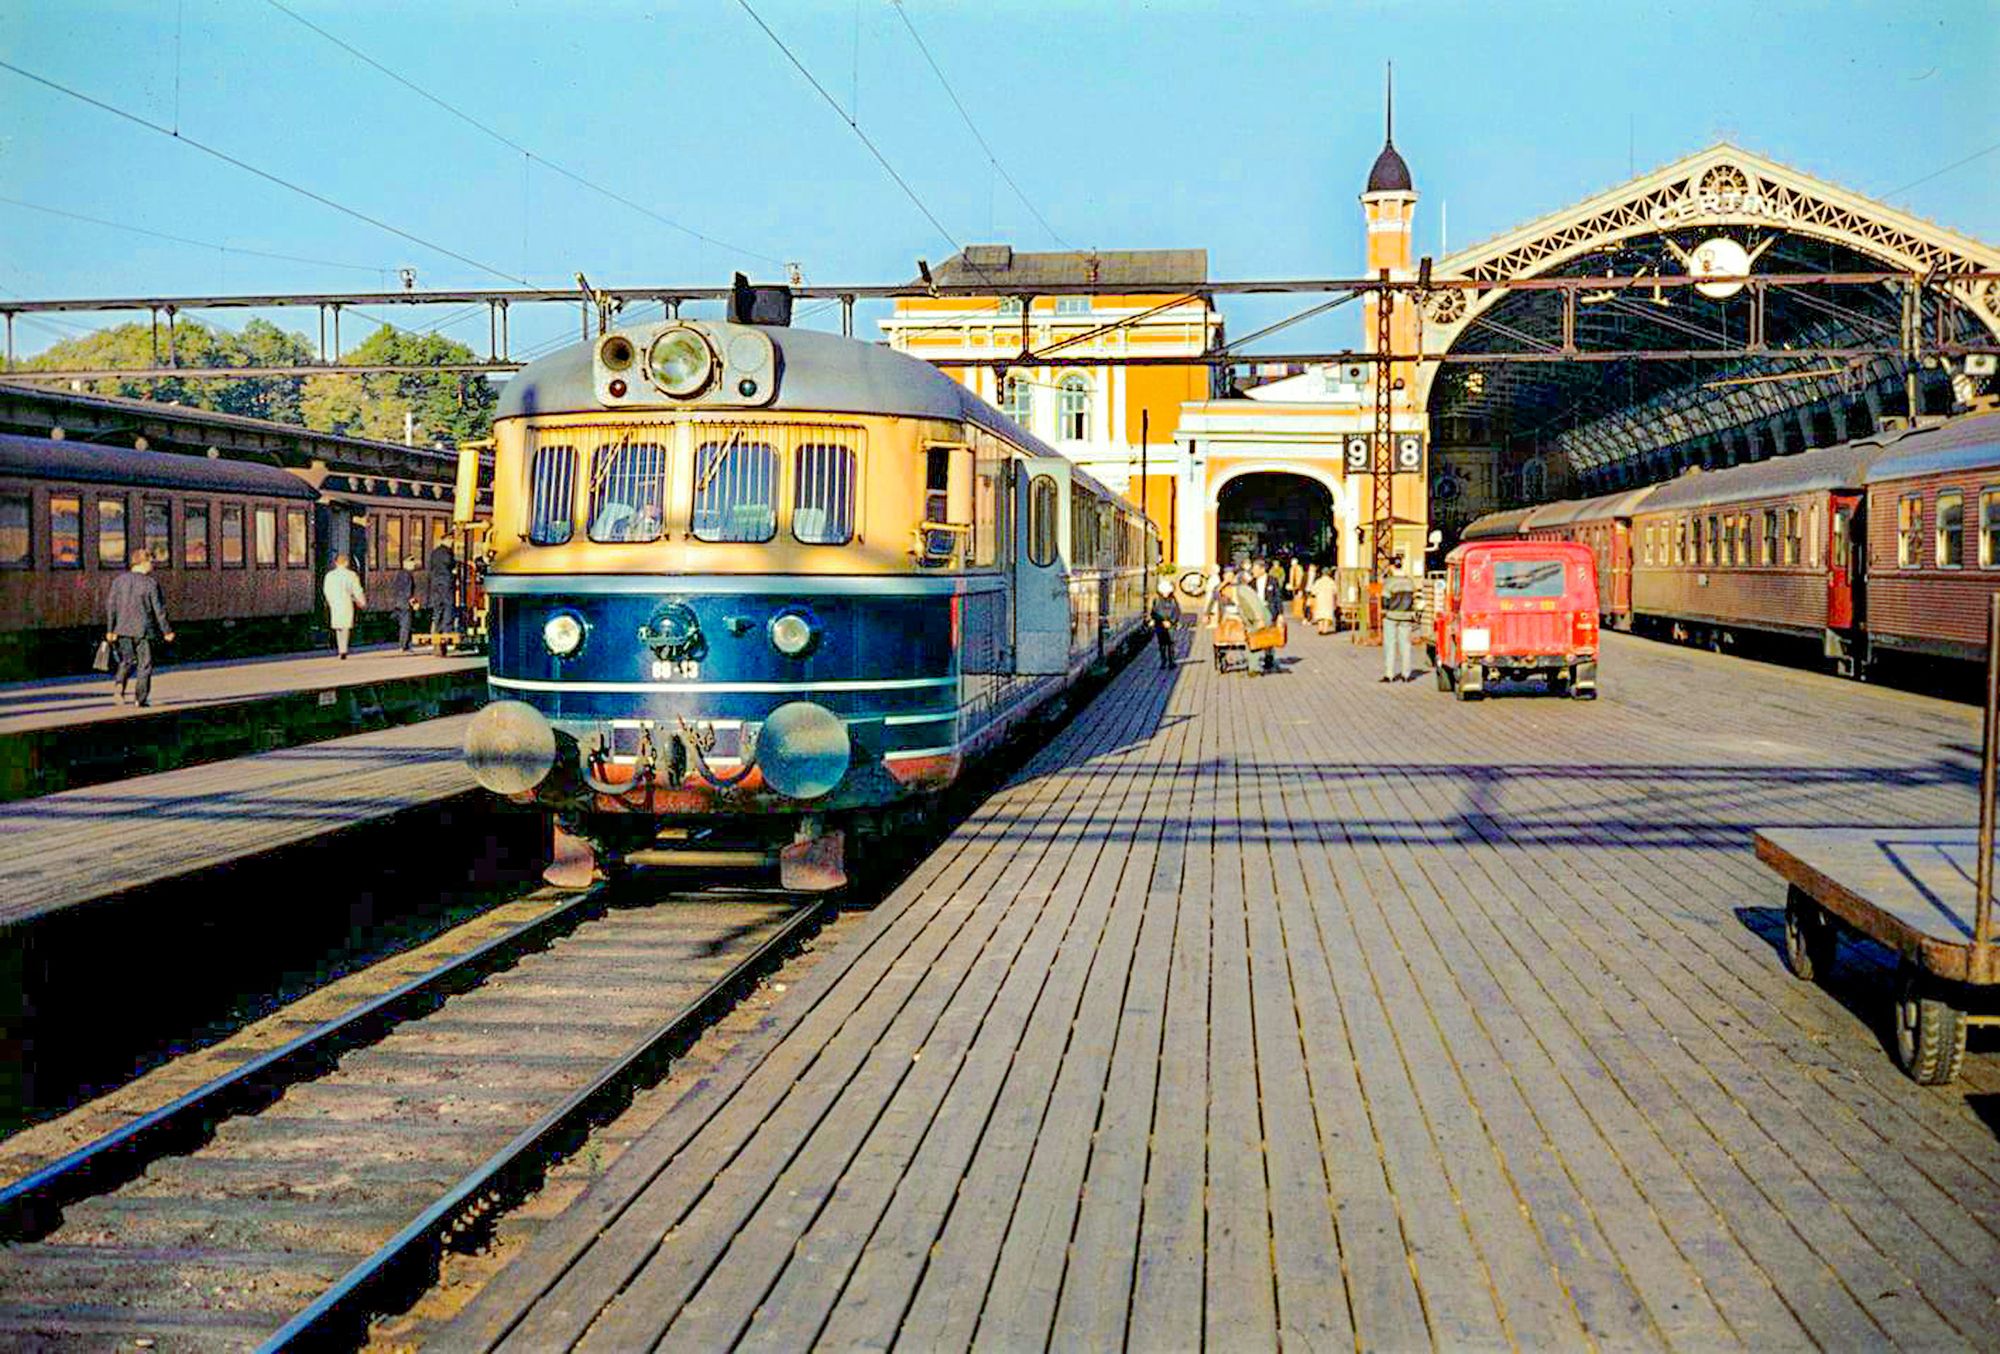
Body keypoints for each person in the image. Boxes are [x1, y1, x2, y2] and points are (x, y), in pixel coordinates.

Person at [105, 551, 174, 707]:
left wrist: (110, 629)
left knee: (127, 660)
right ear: (143, 563)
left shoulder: (118, 581)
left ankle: (119, 684)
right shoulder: (150, 583)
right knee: (145, 664)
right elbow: (159, 610)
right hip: (143, 630)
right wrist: (167, 631)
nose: (153, 565)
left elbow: (111, 607)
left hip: (122, 628)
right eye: (151, 562)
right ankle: (140, 699)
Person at [1382, 555, 1419, 683]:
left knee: (1390, 644)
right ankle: (1406, 674)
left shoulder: (1389, 582)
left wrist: (1385, 611)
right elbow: (1415, 599)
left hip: (1391, 616)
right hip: (1406, 616)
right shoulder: (1410, 582)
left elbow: (1385, 600)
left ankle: (1389, 674)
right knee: (1405, 645)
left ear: (1392, 566)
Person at [323, 552, 367, 659]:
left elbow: (326, 590)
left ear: (336, 563)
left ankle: (340, 649)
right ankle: (344, 649)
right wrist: (362, 601)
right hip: (346, 601)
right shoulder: (351, 575)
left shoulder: (330, 575)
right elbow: (357, 590)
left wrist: (330, 601)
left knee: (338, 627)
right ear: (346, 563)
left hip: (335, 602)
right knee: (346, 627)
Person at [426, 540, 459, 649]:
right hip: (446, 582)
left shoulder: (434, 552)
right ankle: (447, 631)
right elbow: (450, 563)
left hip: (435, 582)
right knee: (448, 605)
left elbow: (430, 566)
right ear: (448, 541)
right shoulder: (447, 552)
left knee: (437, 607)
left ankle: (437, 630)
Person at [1148, 579, 1182, 669]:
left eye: (1167, 592)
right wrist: (1158, 620)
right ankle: (1163, 661)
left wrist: (1171, 622)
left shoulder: (1173, 600)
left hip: (1170, 625)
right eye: (1164, 592)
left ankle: (1171, 661)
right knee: (1162, 644)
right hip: (1160, 625)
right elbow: (1153, 612)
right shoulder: (1157, 600)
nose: (1165, 593)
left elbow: (1177, 612)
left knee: (1171, 644)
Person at [391, 555, 421, 651]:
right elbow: (407, 590)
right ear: (405, 563)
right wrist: (413, 602)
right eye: (411, 562)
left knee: (403, 624)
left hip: (399, 602)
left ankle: (403, 644)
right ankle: (404, 645)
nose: (413, 564)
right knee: (406, 624)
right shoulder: (407, 575)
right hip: (404, 603)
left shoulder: (400, 573)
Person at [1310, 565, 1338, 635]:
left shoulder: (1318, 581)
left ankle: (1320, 628)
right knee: (1326, 616)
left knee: (1320, 616)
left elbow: (1313, 591)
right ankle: (1325, 630)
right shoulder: (1331, 582)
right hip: (1328, 600)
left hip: (1320, 600)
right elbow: (1335, 591)